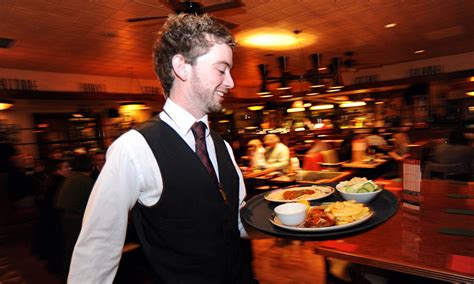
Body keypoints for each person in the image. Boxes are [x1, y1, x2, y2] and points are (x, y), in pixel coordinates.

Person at [68, 13, 255, 283]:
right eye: (221, 69)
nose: (231, 82)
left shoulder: (222, 146)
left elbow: (234, 222)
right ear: (182, 66)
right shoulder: (133, 149)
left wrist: (284, 220)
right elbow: (98, 248)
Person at [55, 154, 94, 280]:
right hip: (77, 221)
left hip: (66, 218)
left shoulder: (71, 179)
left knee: (70, 251)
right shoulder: (86, 181)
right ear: (91, 166)